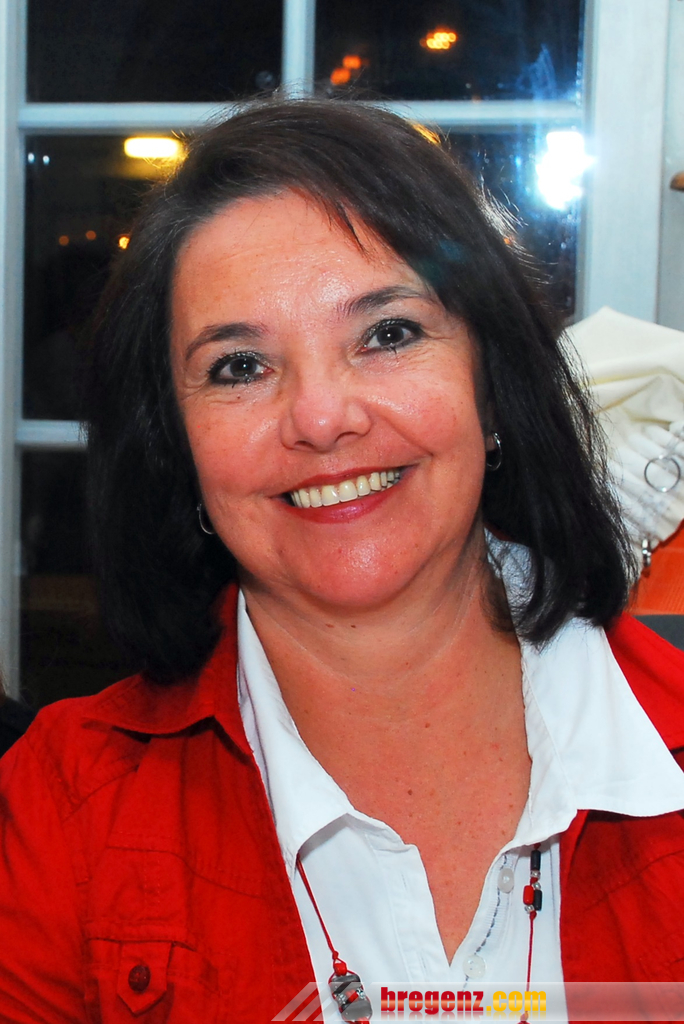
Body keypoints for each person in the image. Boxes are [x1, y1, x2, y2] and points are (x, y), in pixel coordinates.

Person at [1, 97, 684, 1024]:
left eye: (388, 334)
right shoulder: (61, 809)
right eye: (240, 366)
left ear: (493, 384)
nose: (322, 418)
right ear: (177, 447)